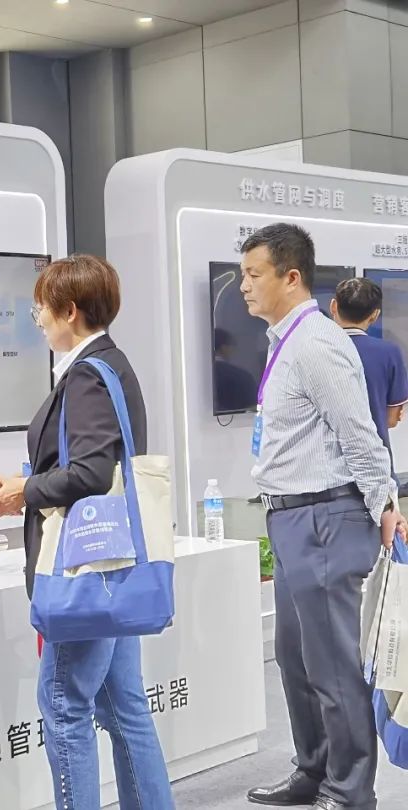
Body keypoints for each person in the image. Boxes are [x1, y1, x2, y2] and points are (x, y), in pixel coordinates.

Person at [0, 254, 173, 810]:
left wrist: (27, 489)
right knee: (123, 706)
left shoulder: (87, 376)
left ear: (69, 311)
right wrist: (27, 485)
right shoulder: (112, 365)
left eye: (41, 308)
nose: (38, 320)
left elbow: (89, 473)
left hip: (87, 569)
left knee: (65, 705)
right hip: (113, 567)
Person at [240, 223, 406, 810]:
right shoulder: (283, 341)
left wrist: (385, 504)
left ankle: (350, 789)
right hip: (290, 520)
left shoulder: (316, 343)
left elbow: (361, 435)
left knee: (333, 666)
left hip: (327, 519)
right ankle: (313, 768)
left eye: (253, 274)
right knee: (295, 657)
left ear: (291, 277)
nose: (244, 286)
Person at [330, 277, 408, 460]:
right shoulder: (388, 353)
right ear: (375, 315)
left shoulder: (313, 349)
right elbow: (391, 418)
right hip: (374, 457)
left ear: (333, 306)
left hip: (325, 464)